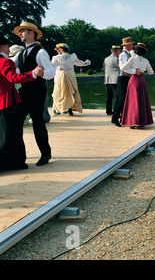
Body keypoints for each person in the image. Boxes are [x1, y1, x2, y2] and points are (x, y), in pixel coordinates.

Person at [12, 22, 55, 167]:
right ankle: (16, 155)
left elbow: (51, 73)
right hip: (23, 92)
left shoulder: (41, 52)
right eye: (20, 31)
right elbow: (12, 67)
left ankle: (45, 154)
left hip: (37, 92)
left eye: (23, 31)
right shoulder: (20, 53)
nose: (20, 33)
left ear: (32, 33)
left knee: (38, 123)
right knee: (16, 123)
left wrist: (42, 73)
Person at [1, 35, 44, 171]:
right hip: (9, 102)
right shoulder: (5, 62)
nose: (8, 49)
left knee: (3, 134)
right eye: (7, 46)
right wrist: (33, 73)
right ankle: (15, 162)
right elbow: (14, 78)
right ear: (2, 47)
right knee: (13, 134)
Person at [120, 42, 154, 129]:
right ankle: (142, 121)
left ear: (136, 50)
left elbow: (123, 68)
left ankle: (134, 121)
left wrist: (134, 70)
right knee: (142, 100)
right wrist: (143, 69)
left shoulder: (132, 59)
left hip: (134, 80)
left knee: (133, 101)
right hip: (141, 80)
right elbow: (151, 72)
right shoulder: (146, 61)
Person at [51, 43, 90, 116]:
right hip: (69, 75)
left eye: (58, 49)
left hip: (61, 75)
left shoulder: (55, 58)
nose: (57, 50)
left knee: (60, 92)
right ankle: (69, 108)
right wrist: (85, 63)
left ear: (62, 49)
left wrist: (59, 68)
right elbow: (79, 63)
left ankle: (60, 108)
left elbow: (51, 67)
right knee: (70, 91)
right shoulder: (72, 57)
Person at [111, 37, 135, 127]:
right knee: (120, 99)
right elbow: (123, 68)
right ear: (128, 45)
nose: (132, 46)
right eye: (131, 44)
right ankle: (115, 118)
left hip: (127, 78)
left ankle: (121, 118)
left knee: (124, 99)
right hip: (123, 78)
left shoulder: (129, 54)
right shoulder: (123, 55)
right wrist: (135, 71)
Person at [104, 45, 121, 115]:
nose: (120, 52)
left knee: (109, 96)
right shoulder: (117, 59)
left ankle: (108, 110)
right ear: (116, 51)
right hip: (115, 80)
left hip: (107, 79)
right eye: (119, 51)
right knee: (118, 96)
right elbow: (122, 67)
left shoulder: (106, 59)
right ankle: (116, 111)